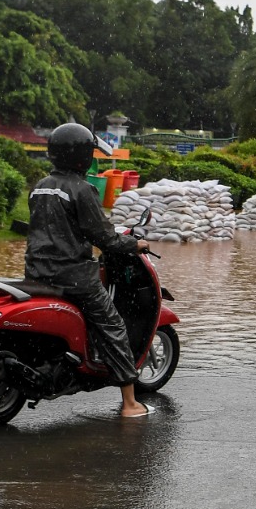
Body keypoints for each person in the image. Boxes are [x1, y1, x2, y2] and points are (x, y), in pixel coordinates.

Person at [26, 122, 153, 418]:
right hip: (73, 277)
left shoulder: (40, 187)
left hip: (35, 274)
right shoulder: (82, 190)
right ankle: (131, 404)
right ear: (82, 156)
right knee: (113, 325)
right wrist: (134, 245)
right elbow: (105, 238)